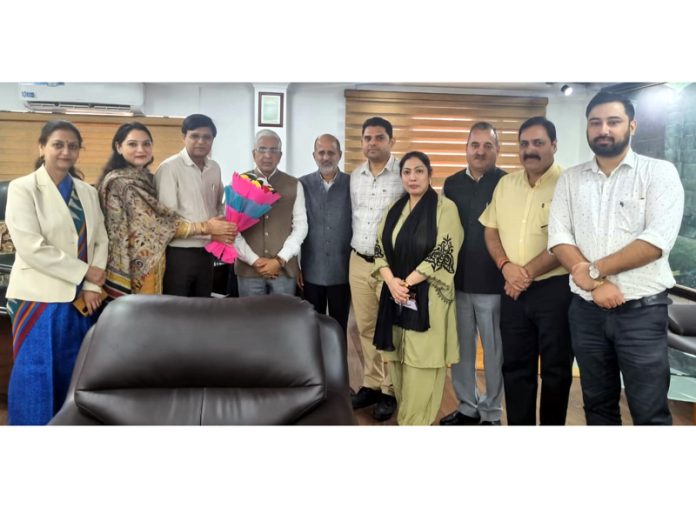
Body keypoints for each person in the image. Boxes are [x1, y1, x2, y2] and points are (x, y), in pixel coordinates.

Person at [549, 92, 685, 425]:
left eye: (613, 121)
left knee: (649, 411)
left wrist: (594, 273)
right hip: (585, 313)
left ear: (632, 126)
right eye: (595, 122)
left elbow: (655, 242)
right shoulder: (571, 179)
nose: (603, 129)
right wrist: (596, 286)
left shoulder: (659, 174)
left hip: (642, 314)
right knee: (597, 406)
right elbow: (559, 237)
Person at [4, 120, 108, 425]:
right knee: (35, 373)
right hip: (37, 297)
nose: (66, 151)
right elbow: (30, 246)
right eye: (58, 144)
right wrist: (85, 270)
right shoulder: (23, 188)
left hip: (80, 299)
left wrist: (92, 283)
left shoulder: (87, 191)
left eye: (72, 146)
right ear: (42, 147)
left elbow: (100, 237)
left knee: (72, 370)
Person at [480, 117, 573, 425]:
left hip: (555, 292)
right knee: (516, 368)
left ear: (554, 145)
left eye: (538, 143)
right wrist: (506, 267)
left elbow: (568, 241)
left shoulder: (570, 184)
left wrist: (525, 274)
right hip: (512, 291)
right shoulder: (506, 184)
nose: (530, 150)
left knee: (556, 371)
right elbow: (490, 230)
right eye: (524, 144)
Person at [373, 151, 463, 425]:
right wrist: (390, 281)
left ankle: (414, 424)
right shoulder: (394, 209)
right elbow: (379, 247)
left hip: (429, 301)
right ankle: (407, 421)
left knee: (421, 367)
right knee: (400, 365)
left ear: (429, 173)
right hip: (396, 299)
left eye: (419, 171)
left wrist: (406, 283)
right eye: (407, 172)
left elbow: (444, 251)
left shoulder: (445, 209)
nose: (412, 177)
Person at [97, 122, 234, 297]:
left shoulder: (146, 178)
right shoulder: (121, 183)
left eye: (146, 144)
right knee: (165, 315)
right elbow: (161, 223)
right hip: (139, 264)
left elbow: (217, 205)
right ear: (118, 147)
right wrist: (207, 228)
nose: (141, 149)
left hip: (177, 256)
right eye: (132, 144)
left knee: (199, 310)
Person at [440, 122, 506, 425]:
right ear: (466, 148)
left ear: (497, 149)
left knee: (494, 352)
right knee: (461, 351)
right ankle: (467, 407)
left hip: (494, 284)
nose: (480, 151)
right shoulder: (451, 184)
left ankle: (491, 412)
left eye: (487, 145)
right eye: (475, 145)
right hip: (457, 282)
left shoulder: (508, 183)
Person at [349, 116, 404, 422]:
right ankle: (370, 383)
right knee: (365, 327)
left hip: (390, 267)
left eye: (379, 138)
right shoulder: (355, 176)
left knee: (390, 329)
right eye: (367, 138)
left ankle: (389, 389)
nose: (372, 143)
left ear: (391, 141)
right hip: (358, 261)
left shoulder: (403, 173)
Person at [155, 114, 228, 297]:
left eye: (207, 137)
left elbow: (218, 205)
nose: (201, 141)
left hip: (207, 252)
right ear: (184, 136)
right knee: (177, 311)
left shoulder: (215, 168)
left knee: (202, 308)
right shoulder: (169, 168)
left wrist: (226, 223)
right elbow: (166, 221)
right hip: (179, 253)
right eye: (194, 136)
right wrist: (205, 228)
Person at [234, 129, 307, 296]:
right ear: (254, 153)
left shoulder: (294, 184)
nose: (267, 155)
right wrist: (255, 261)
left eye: (273, 150)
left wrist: (280, 260)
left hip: (283, 270)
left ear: (280, 156)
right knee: (250, 319)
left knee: (282, 320)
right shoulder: (240, 184)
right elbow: (232, 230)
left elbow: (301, 227)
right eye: (262, 149)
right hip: (248, 271)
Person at [298, 134, 352, 334]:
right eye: (321, 152)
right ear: (314, 155)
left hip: (343, 271)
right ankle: (315, 365)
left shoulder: (351, 184)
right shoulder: (302, 185)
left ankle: (338, 365)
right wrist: (296, 265)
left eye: (331, 152)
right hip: (311, 270)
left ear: (339, 155)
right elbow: (295, 227)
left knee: (339, 327)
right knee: (312, 327)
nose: (326, 157)